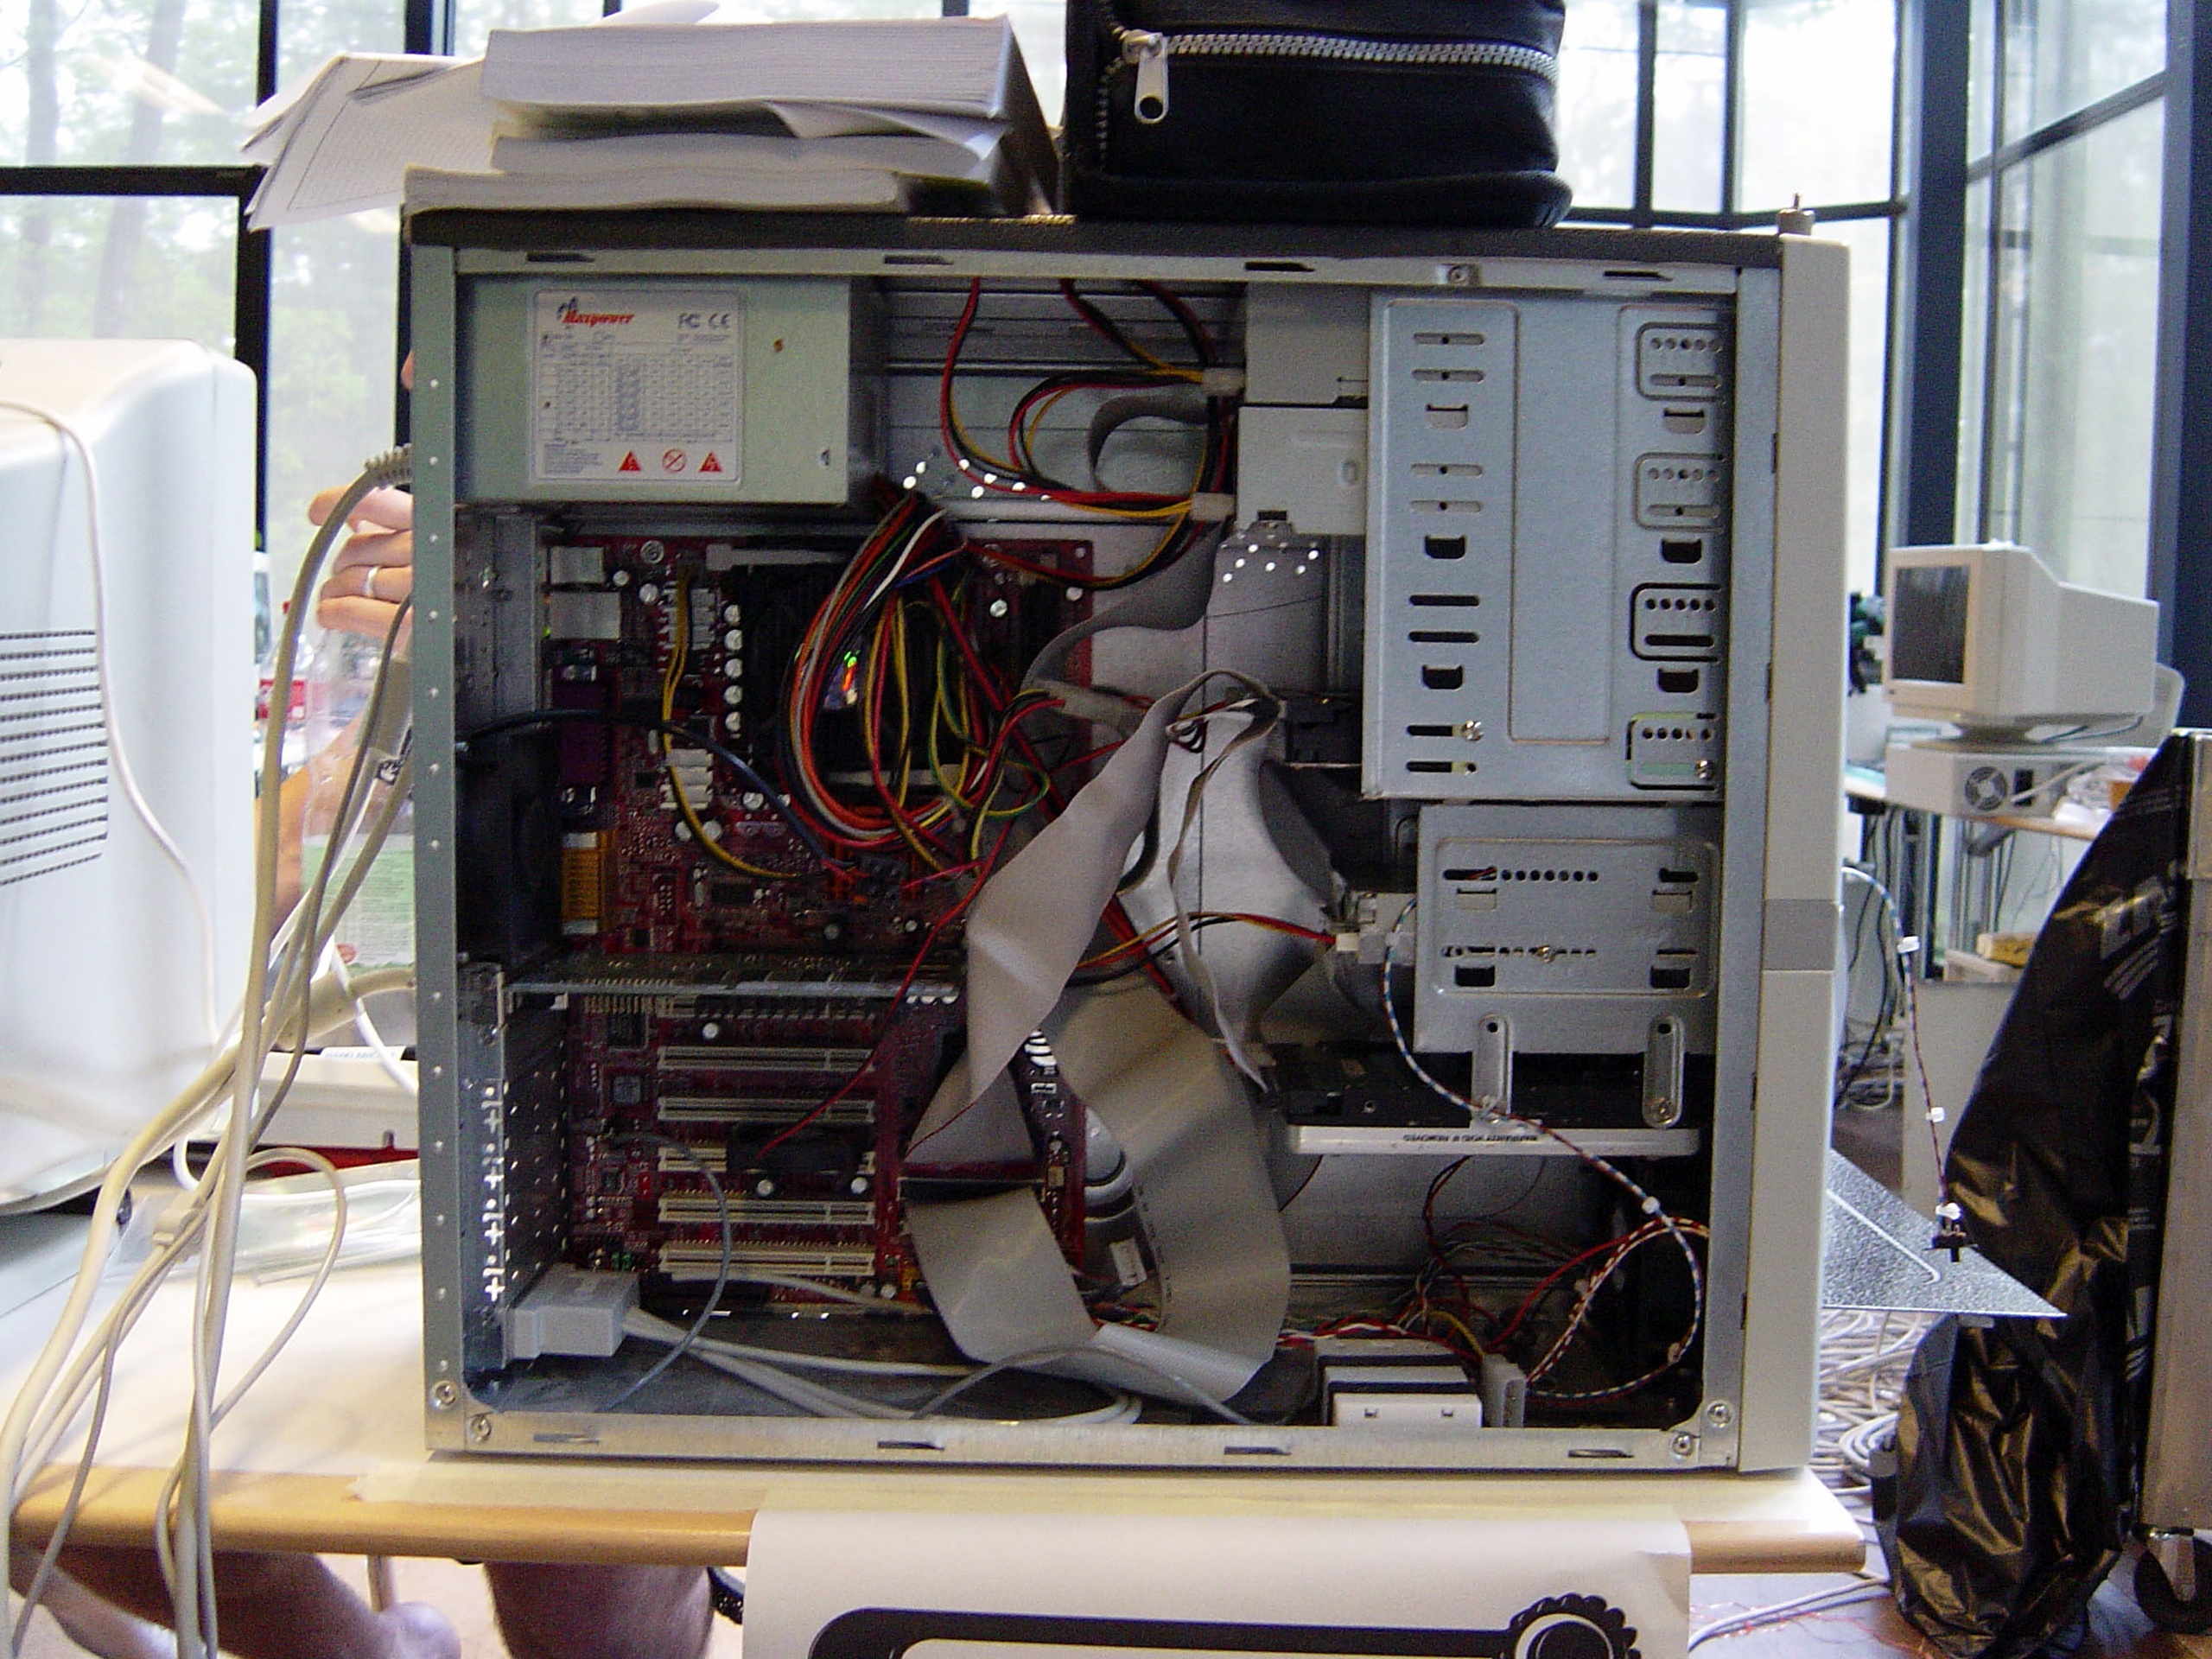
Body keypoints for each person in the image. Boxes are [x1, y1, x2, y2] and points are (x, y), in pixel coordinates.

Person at [35, 355, 715, 1659]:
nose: (422, 372)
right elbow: (234, 923)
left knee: (568, 1486)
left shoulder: (618, 578)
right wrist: (372, 744)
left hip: (566, 1135)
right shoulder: (295, 620)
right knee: (79, 1465)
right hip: (249, 1161)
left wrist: (508, 641)